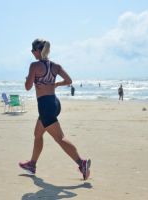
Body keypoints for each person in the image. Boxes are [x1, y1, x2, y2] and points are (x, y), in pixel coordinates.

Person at [20, 38, 91, 180]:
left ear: (38, 50)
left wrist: (28, 77)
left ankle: (81, 163)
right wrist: (56, 84)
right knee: (38, 134)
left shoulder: (34, 66)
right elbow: (69, 81)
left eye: (33, 50)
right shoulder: (56, 66)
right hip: (54, 103)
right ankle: (32, 164)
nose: (32, 53)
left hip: (45, 106)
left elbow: (27, 87)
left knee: (60, 138)